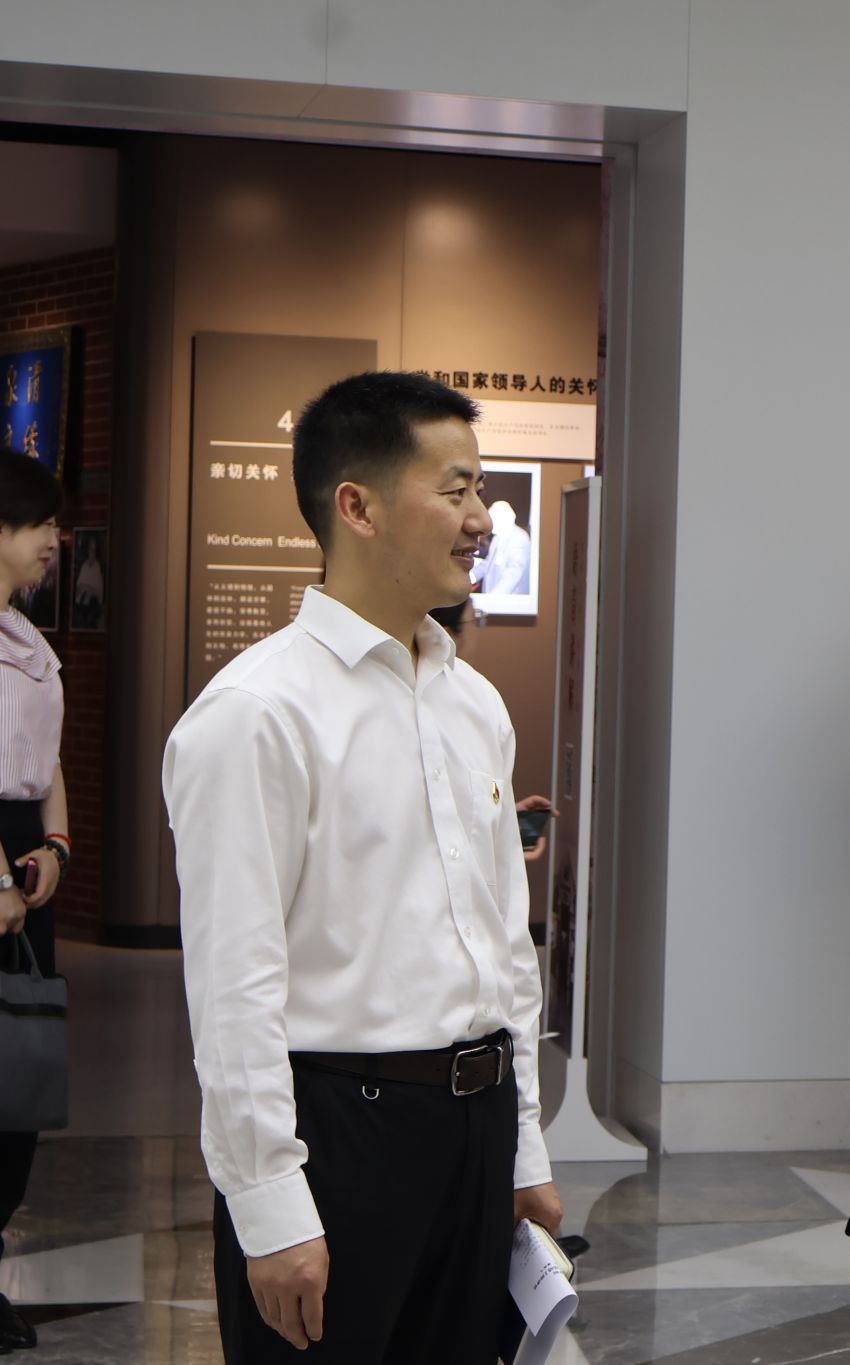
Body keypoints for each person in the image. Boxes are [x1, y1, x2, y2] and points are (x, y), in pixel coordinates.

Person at [164, 373, 561, 1363]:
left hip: (474, 1129)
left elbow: (504, 945)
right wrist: (270, 1208)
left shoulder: (474, 704)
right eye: (457, 490)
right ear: (358, 506)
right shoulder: (256, 714)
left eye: (480, 491)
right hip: (339, 1133)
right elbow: (234, 986)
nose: (482, 519)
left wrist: (521, 1145)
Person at [0, 448, 72, 1355]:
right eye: (41, 523)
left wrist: (56, 843)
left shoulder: (27, 635)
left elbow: (47, 757)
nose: (56, 539)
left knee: (19, 1069)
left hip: (26, 857)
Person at [428, 596, 554, 863]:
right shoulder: (427, 709)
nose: (478, 630)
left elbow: (460, 809)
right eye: (475, 620)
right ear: (445, 633)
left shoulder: (483, 701)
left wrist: (503, 817)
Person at [475, 500, 531, 597]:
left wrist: (494, 597)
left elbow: (513, 573)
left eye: (492, 518)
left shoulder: (519, 538)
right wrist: (472, 576)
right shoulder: (497, 538)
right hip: (493, 598)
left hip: (509, 600)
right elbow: (488, 563)